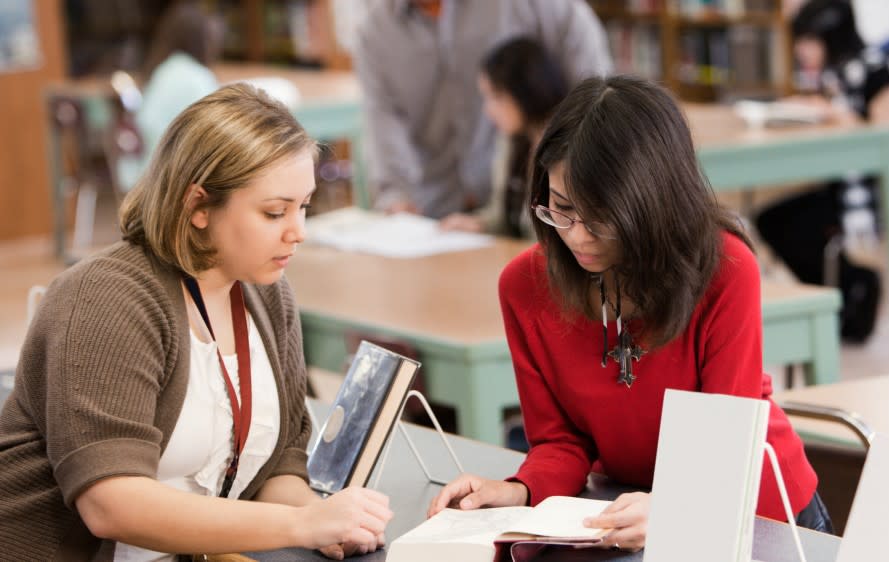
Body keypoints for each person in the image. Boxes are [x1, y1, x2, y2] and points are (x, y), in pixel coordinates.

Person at [427, 75, 832, 551]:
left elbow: (728, 444)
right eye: (561, 209)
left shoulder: (725, 269)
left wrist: (672, 509)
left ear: (651, 205)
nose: (576, 236)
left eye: (601, 218)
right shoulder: (524, 287)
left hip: (757, 514)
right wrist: (517, 491)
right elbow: (560, 443)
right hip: (624, 515)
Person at [0, 84, 393, 561]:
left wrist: (328, 523)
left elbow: (279, 466)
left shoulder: (266, 293)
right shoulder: (105, 298)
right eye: (275, 212)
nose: (299, 231)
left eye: (304, 206)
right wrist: (302, 523)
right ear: (198, 206)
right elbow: (111, 504)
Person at [754, 0, 889, 343]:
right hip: (842, 185)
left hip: (884, 190)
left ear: (830, 36)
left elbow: (888, 133)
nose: (799, 50)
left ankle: (854, 287)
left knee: (793, 225)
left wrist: (833, 114)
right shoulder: (836, 74)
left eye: (806, 41)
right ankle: (843, 292)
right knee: (772, 220)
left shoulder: (880, 69)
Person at [354, 0, 611, 219]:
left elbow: (593, 83)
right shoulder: (375, 33)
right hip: (431, 213)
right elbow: (383, 120)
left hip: (530, 201)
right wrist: (396, 196)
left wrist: (580, 168)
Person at [439, 36, 568, 238]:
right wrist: (478, 224)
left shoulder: (568, 149)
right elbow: (505, 218)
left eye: (496, 97)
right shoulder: (514, 141)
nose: (488, 110)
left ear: (527, 90)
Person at [124, 1, 225, 190]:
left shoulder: (163, 70)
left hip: (146, 168)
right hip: (172, 174)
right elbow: (218, 128)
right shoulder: (197, 76)